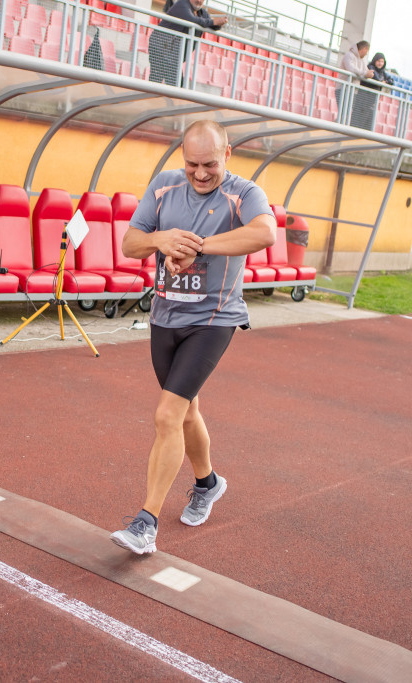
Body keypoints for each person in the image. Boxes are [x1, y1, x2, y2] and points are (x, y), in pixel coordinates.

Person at [110, 120, 275, 554]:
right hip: (165, 317)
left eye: (210, 164)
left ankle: (145, 524)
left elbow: (264, 232)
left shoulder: (244, 193)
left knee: (167, 415)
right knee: (185, 413)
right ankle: (208, 483)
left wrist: (198, 245)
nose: (200, 174)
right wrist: (161, 239)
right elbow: (130, 244)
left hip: (213, 320)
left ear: (228, 154)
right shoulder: (164, 186)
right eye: (191, 164)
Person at [149, 0, 227, 86]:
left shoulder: (202, 13)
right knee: (166, 81)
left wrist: (219, 23)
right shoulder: (182, 4)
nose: (199, 1)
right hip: (161, 46)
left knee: (170, 82)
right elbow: (191, 20)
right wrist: (213, 21)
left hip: (173, 52)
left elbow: (213, 25)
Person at [336, 40, 375, 129]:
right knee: (343, 113)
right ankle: (338, 130)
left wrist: (368, 74)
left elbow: (365, 71)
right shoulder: (349, 56)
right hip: (343, 88)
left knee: (347, 113)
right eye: (367, 51)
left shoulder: (361, 60)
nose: (366, 54)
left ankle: (341, 129)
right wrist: (365, 74)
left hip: (352, 90)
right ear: (364, 49)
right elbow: (351, 69)